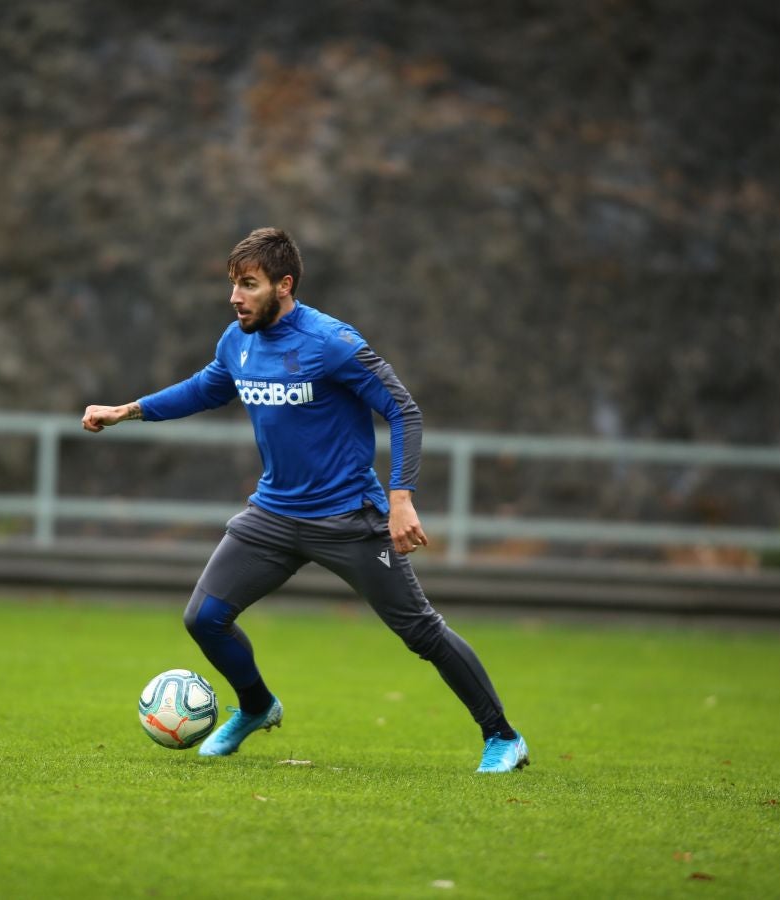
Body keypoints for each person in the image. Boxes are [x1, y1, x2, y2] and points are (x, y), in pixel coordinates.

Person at [81, 227, 528, 773]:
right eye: (233, 284)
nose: (235, 297)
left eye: (249, 284)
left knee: (421, 632)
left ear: (284, 285)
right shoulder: (236, 341)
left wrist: (402, 499)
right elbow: (203, 388)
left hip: (350, 518)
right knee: (205, 618)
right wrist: (124, 412)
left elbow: (403, 410)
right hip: (273, 514)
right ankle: (255, 706)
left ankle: (502, 736)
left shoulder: (331, 342)